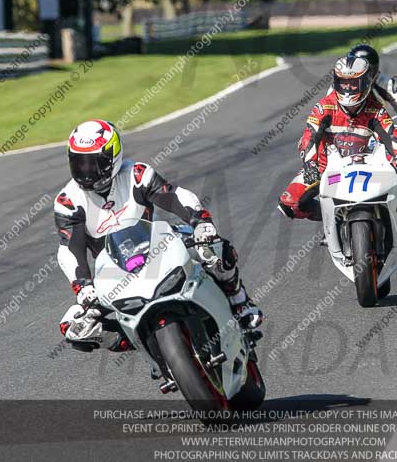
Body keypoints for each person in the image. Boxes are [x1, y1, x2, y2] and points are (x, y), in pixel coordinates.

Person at [55, 119, 262, 353]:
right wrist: (83, 286)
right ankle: (141, 341)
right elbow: (69, 249)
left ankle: (240, 301)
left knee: (213, 247)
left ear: (112, 157)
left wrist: (200, 222)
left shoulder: (137, 174)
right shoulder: (68, 201)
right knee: (74, 327)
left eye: (92, 163)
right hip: (113, 272)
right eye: (78, 163)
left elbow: (174, 196)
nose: (85, 172)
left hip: (159, 245)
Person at [281, 56, 397, 250]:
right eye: (343, 83)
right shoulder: (324, 107)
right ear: (336, 82)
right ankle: (334, 218)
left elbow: (391, 134)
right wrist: (310, 164)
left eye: (353, 84)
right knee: (289, 203)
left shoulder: (375, 109)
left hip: (368, 161)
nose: (347, 89)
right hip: (327, 165)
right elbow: (309, 137)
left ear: (365, 82)